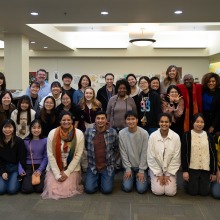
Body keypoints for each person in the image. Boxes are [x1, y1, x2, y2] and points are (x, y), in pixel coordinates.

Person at [41, 111, 84, 200]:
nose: (66, 122)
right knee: (53, 189)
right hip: (55, 167)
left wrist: (66, 172)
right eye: (63, 120)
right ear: (60, 121)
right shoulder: (52, 133)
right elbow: (50, 154)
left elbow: (78, 155)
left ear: (72, 121)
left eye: (68, 120)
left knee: (66, 189)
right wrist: (57, 174)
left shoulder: (79, 134)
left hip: (71, 168)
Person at [181, 113, 217, 196]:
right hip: (192, 168)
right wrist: (185, 171)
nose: (199, 124)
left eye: (202, 122)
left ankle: (204, 182)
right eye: (197, 122)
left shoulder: (209, 136)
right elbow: (184, 154)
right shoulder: (187, 135)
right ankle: (187, 183)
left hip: (205, 169)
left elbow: (213, 154)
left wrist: (213, 172)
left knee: (204, 192)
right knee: (192, 192)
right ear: (193, 122)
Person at [84, 111, 118, 194]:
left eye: (103, 118)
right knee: (89, 190)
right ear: (95, 120)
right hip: (93, 166)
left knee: (107, 190)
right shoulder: (88, 132)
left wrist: (115, 165)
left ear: (106, 120)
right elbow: (85, 147)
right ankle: (97, 178)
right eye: (98, 118)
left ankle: (103, 178)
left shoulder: (113, 132)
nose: (100, 120)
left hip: (107, 167)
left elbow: (116, 149)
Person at [147, 113, 181, 196]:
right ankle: (151, 177)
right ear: (159, 123)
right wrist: (158, 174)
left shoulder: (176, 137)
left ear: (170, 123)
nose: (164, 124)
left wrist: (168, 174)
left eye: (166, 122)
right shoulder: (153, 136)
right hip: (156, 169)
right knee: (158, 191)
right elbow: (150, 157)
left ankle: (170, 178)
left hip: (170, 169)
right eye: (162, 122)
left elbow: (176, 157)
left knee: (170, 193)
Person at [119, 111, 149, 194]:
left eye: (133, 119)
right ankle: (131, 178)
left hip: (140, 167)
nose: (131, 121)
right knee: (127, 188)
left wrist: (142, 170)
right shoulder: (121, 134)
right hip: (129, 167)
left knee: (141, 189)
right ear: (125, 121)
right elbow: (123, 152)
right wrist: (127, 168)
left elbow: (145, 152)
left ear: (137, 120)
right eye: (128, 119)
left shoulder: (144, 134)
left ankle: (139, 177)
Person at [20, 119, 47, 193]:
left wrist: (40, 170)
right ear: (30, 129)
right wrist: (20, 169)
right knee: (27, 190)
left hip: (41, 166)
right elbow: (20, 157)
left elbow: (46, 157)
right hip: (28, 166)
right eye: (34, 128)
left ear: (41, 129)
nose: (36, 130)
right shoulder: (25, 141)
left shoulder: (45, 140)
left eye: (38, 128)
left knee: (40, 189)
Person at [0, 119, 26, 194]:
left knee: (12, 190)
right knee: (1, 190)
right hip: (3, 167)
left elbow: (22, 158)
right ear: (1, 128)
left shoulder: (19, 141)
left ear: (14, 128)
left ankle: (13, 181)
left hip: (15, 168)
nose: (7, 130)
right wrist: (2, 172)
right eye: (5, 127)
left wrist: (20, 171)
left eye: (10, 127)